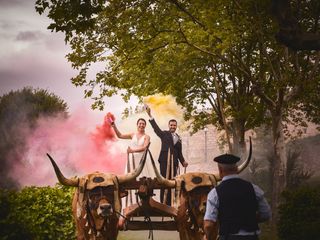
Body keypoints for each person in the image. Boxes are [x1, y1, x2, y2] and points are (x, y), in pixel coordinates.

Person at [203, 154, 271, 240]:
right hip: (252, 237)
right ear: (236, 169)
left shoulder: (214, 193)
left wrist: (207, 237)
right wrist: (249, 220)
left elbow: (209, 225)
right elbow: (266, 214)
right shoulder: (253, 188)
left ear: (220, 170)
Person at [146, 105, 188, 206]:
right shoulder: (164, 134)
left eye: (174, 125)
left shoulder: (179, 138)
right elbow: (156, 129)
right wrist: (150, 115)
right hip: (164, 161)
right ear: (169, 126)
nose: (173, 127)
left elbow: (180, 153)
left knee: (173, 183)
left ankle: (171, 204)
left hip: (174, 163)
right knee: (164, 182)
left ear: (176, 126)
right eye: (171, 125)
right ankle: (163, 203)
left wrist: (183, 162)